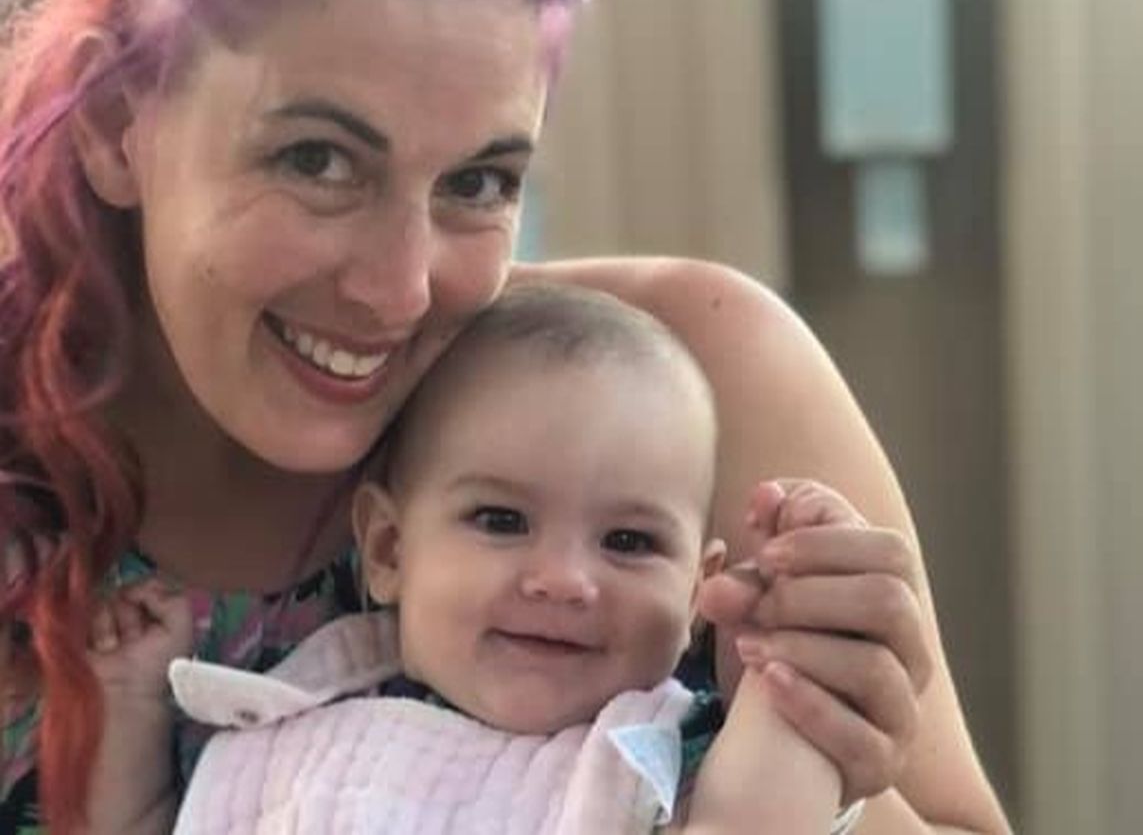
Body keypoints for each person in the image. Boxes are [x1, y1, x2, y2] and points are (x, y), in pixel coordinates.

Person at [0, 0, 1011, 833]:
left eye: (477, 182)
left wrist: (810, 742)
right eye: (317, 160)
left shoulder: (687, 383)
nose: (401, 290)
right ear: (114, 124)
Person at [87, 283, 867, 834]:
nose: (562, 580)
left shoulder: (661, 757)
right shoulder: (283, 731)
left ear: (699, 592)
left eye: (629, 542)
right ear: (389, 548)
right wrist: (126, 707)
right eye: (502, 521)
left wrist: (791, 656)